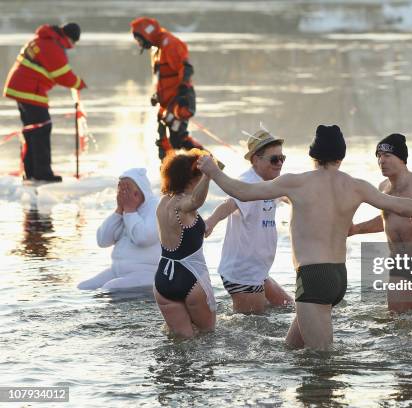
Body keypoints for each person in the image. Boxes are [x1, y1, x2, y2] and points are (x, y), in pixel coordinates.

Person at [198, 125, 412, 350]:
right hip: (337, 277)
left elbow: (241, 191)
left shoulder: (295, 183)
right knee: (291, 349)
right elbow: (403, 206)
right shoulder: (357, 185)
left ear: (313, 153)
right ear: (341, 156)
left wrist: (213, 171)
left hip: (313, 277)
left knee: (321, 365)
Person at [349, 133, 412, 312]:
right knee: (398, 317)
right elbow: (385, 219)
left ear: (402, 159)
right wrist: (355, 229)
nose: (382, 160)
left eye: (387, 156)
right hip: (401, 261)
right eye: (379, 156)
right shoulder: (383, 187)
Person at [205, 128, 293, 314]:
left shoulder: (272, 183)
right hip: (243, 273)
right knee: (254, 326)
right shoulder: (247, 183)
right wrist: (211, 221)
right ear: (255, 159)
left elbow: (290, 196)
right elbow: (229, 204)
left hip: (258, 272)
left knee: (288, 308)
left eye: (282, 159)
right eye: (274, 159)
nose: (279, 164)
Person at [3, 23, 86, 182]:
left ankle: (31, 171)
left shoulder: (43, 39)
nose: (71, 47)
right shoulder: (52, 46)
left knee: (31, 130)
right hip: (29, 90)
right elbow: (63, 75)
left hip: (22, 88)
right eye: (73, 43)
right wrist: (79, 84)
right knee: (42, 128)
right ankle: (42, 173)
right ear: (69, 37)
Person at [155, 150, 216, 338]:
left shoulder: (163, 203)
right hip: (191, 277)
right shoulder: (183, 205)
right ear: (191, 179)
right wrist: (209, 174)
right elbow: (196, 200)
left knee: (182, 341)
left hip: (163, 281)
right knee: (208, 337)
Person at [130, 17, 202, 161]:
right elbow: (164, 79)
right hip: (167, 103)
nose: (139, 44)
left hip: (180, 99)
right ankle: (167, 172)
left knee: (179, 139)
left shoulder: (170, 44)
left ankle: (212, 166)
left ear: (147, 34)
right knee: (163, 140)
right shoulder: (157, 49)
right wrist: (158, 96)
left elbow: (186, 68)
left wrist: (183, 92)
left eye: (139, 39)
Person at [78, 168, 160, 292]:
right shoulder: (125, 209)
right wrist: (118, 212)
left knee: (110, 288)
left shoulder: (155, 207)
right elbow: (102, 241)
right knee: (84, 287)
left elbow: (143, 238)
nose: (123, 194)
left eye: (127, 190)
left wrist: (130, 211)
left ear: (138, 192)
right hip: (118, 271)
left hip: (147, 273)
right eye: (120, 190)